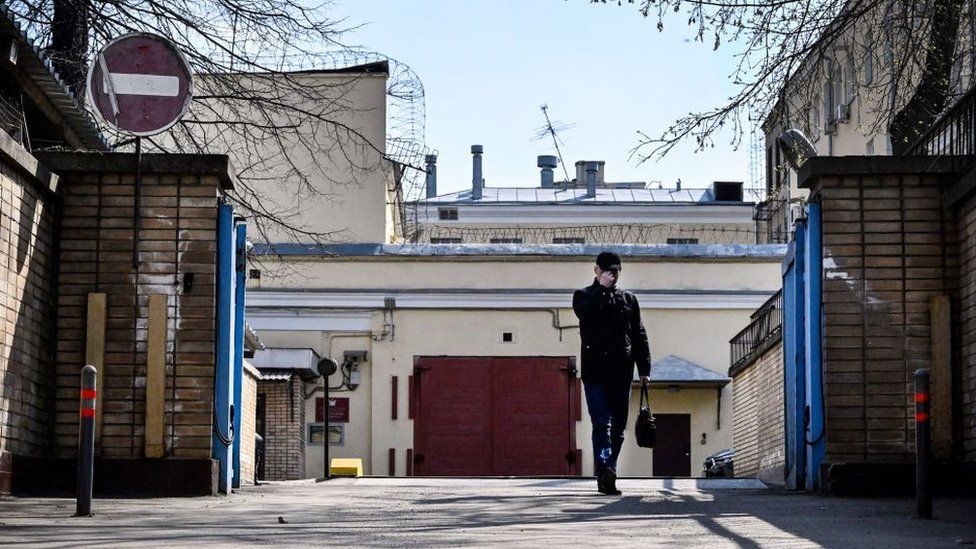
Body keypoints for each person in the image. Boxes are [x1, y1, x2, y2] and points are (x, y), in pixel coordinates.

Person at [573, 250, 651, 495]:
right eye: (607, 271)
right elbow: (586, 316)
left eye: (616, 271)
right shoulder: (584, 296)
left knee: (618, 427)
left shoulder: (628, 300)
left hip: (621, 372)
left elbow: (639, 334)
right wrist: (602, 289)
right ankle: (606, 469)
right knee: (601, 423)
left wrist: (644, 368)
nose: (612, 275)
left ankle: (608, 471)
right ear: (596, 271)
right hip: (595, 373)